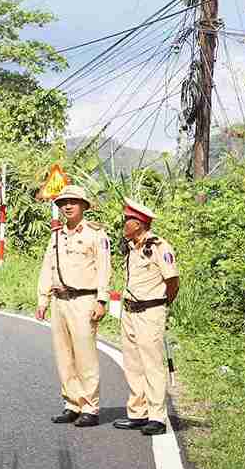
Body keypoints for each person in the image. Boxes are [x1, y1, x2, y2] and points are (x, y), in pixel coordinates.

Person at [35, 184, 111, 427]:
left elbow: (104, 269)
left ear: (83, 206)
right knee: (64, 356)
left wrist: (101, 299)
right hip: (60, 301)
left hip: (84, 300)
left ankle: (90, 407)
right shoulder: (56, 235)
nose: (67, 206)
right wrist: (43, 299)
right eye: (63, 203)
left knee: (85, 356)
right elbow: (48, 268)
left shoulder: (96, 234)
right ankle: (72, 403)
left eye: (73, 202)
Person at [113, 199, 180, 437]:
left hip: (150, 311)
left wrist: (162, 304)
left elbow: (172, 281)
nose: (124, 224)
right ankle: (138, 413)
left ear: (139, 224)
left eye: (127, 220)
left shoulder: (160, 247)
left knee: (152, 364)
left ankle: (157, 417)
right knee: (132, 364)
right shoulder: (132, 247)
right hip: (130, 311)